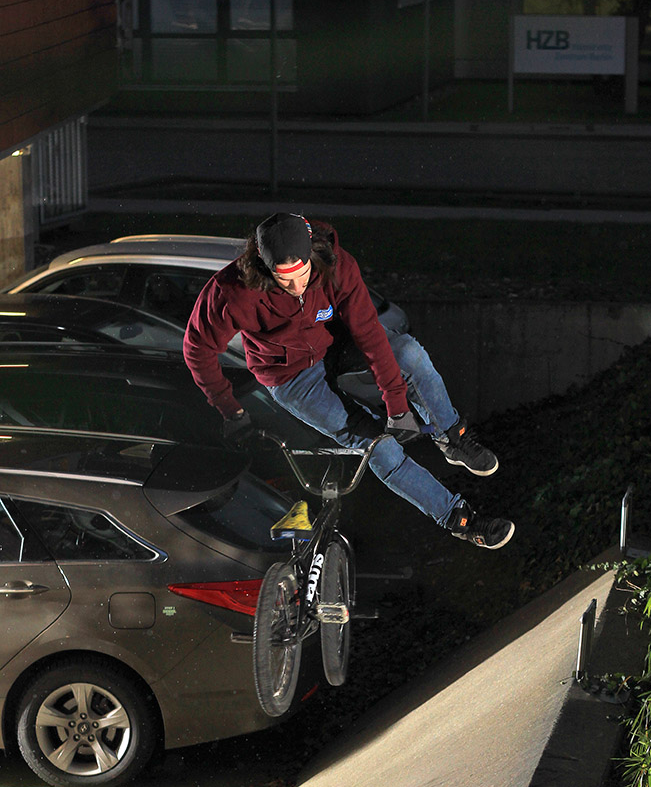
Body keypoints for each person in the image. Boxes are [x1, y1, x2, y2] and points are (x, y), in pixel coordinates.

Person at [183, 211, 514, 549]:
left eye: (302, 274)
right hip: (289, 375)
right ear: (264, 267)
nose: (297, 287)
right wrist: (230, 409)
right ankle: (458, 518)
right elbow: (197, 349)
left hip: (337, 343)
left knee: (409, 354)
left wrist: (396, 404)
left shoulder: (336, 265)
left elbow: (370, 334)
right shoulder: (232, 290)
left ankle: (452, 436)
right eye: (284, 280)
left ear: (313, 255)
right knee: (376, 446)